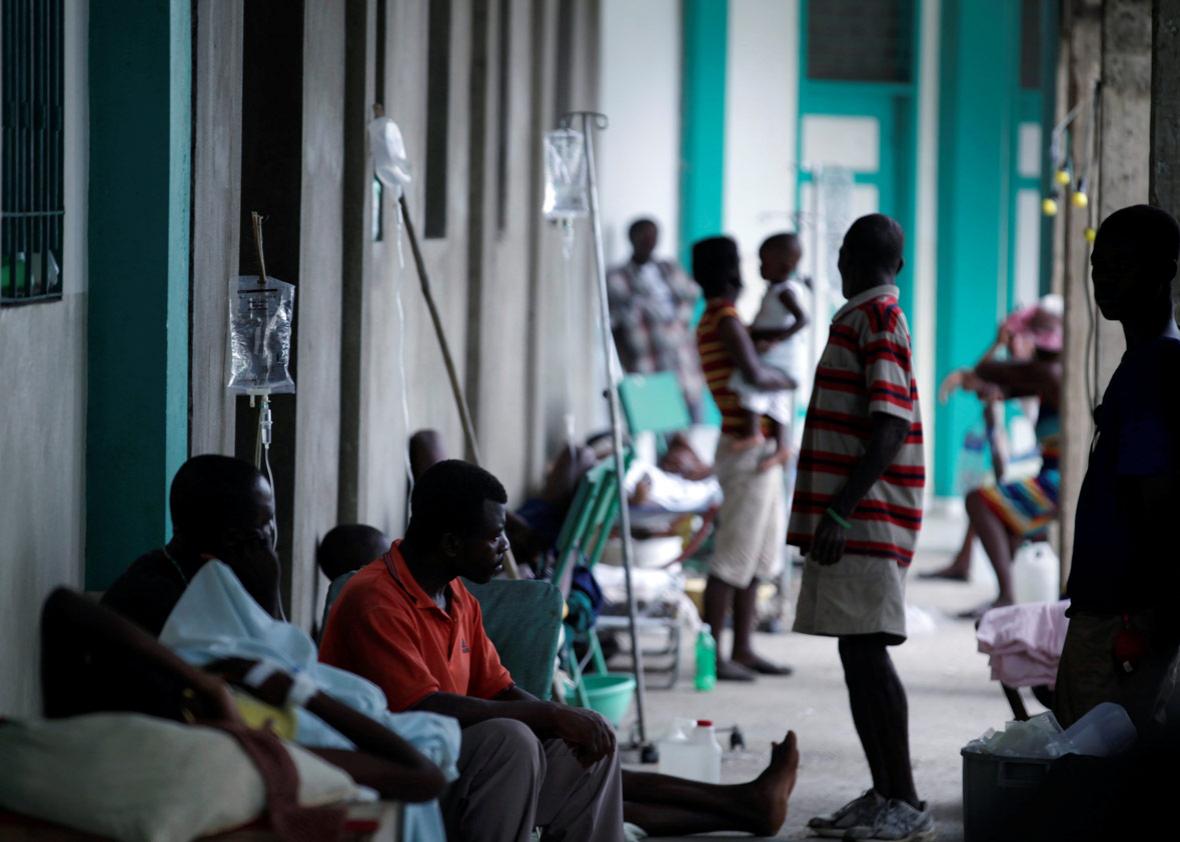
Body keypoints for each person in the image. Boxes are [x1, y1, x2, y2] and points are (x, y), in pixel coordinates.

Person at [320, 459, 802, 840]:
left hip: (453, 758)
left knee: (587, 742)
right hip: (393, 765)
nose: (505, 545)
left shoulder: (455, 593)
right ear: (450, 543)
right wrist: (549, 717)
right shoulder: (375, 600)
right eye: (495, 536)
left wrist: (567, 717)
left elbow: (499, 687)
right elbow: (424, 706)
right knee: (511, 738)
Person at [788, 214, 934, 840]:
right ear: (897, 266)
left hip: (866, 521)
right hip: (853, 521)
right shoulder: (862, 319)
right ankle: (883, 793)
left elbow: (891, 424)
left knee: (869, 655)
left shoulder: (879, 321)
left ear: (843, 256)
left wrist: (841, 510)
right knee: (857, 654)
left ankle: (906, 802)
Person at [41, 586, 448, 805]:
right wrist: (294, 694)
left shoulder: (241, 750)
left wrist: (207, 688)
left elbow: (65, 606)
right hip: (248, 720)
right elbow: (424, 776)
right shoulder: (253, 751)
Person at [1054, 204, 1180, 733]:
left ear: (1164, 271)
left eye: (1120, 265)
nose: (1103, 278)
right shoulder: (1142, 362)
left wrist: (1156, 620)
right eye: (1097, 264)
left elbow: (1159, 502)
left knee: (1088, 769)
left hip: (1122, 615)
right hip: (1115, 608)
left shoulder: (1154, 369)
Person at [693, 236, 795, 682]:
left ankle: (745, 647)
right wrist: (789, 380)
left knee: (758, 554)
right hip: (745, 450)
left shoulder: (722, 319)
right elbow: (754, 375)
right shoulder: (726, 319)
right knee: (733, 556)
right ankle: (716, 655)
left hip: (758, 452)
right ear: (731, 272)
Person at [921, 300, 1059, 583]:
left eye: (1023, 337)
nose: (1015, 344)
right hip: (1048, 470)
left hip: (1058, 479)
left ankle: (1005, 594)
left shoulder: (1047, 373)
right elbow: (980, 382)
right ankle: (991, 581)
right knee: (989, 495)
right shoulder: (1041, 375)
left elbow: (983, 372)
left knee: (981, 500)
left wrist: (1001, 338)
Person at [101, 454, 282, 636]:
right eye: (265, 522)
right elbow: (266, 662)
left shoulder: (201, 579)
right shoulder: (156, 599)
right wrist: (265, 597)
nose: (271, 532)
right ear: (232, 539)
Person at [607, 218, 705, 421]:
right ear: (631, 239)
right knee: (661, 432)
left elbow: (691, 297)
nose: (649, 241)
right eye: (643, 236)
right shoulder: (618, 277)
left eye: (653, 236)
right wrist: (628, 369)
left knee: (694, 435)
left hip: (684, 367)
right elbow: (615, 327)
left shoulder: (669, 269)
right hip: (648, 367)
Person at [728, 232, 811, 449]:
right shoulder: (776, 290)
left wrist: (776, 340)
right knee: (777, 399)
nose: (759, 267)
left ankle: (752, 432)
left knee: (751, 381)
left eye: (764, 263)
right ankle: (784, 446)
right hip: (782, 357)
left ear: (784, 268)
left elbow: (803, 319)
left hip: (782, 356)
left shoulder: (785, 292)